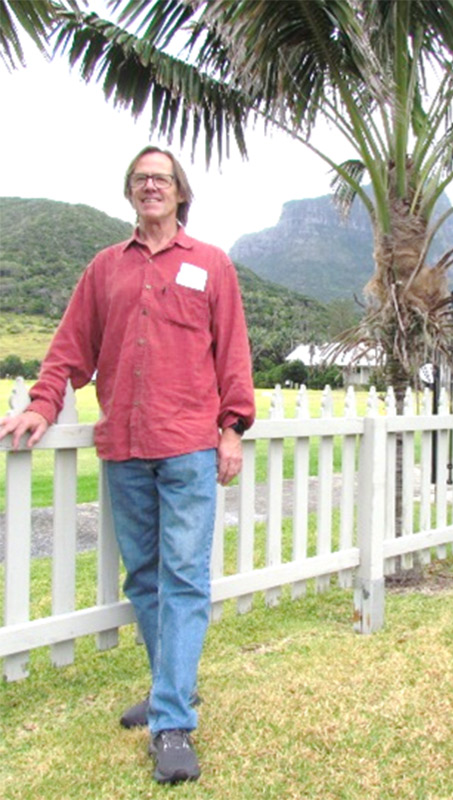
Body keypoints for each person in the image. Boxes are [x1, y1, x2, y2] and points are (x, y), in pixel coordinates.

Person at [0, 146, 255, 784]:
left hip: (190, 447)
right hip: (126, 446)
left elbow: (233, 357)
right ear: (130, 191)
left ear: (179, 192)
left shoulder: (212, 265)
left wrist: (232, 430)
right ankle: (173, 688)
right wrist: (40, 402)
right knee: (144, 579)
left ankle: (171, 722)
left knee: (186, 580)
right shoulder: (103, 269)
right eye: (141, 179)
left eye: (161, 179)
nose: (151, 187)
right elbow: (69, 349)